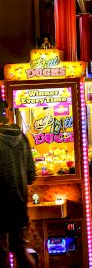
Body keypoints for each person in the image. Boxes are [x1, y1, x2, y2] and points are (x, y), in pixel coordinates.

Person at [0, 103, 36, 268]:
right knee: (20, 249)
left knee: (2, 252)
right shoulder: (22, 137)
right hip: (19, 205)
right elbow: (31, 175)